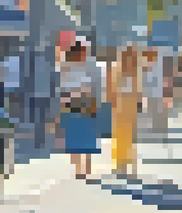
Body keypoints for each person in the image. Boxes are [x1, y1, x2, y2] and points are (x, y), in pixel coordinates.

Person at [58, 36, 105, 179]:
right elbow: (60, 86)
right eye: (78, 50)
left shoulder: (91, 66)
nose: (81, 53)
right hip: (70, 103)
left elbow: (97, 85)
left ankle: (87, 165)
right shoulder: (65, 66)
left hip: (86, 102)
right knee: (74, 136)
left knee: (87, 135)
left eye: (83, 50)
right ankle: (78, 168)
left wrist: (96, 102)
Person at [111, 45, 142, 178]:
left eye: (132, 57)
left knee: (130, 137)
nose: (129, 59)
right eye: (127, 57)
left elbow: (139, 90)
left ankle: (129, 163)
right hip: (120, 105)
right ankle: (119, 165)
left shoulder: (136, 72)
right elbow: (113, 88)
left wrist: (139, 104)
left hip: (131, 106)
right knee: (119, 137)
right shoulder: (117, 70)